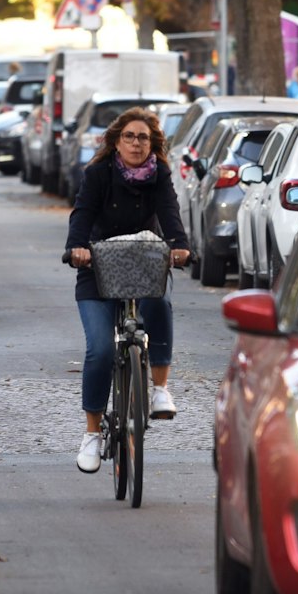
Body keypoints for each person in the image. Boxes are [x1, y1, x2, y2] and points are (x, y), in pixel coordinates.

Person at [64, 107, 191, 474]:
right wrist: (78, 248)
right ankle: (91, 434)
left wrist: (179, 245)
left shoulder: (159, 174)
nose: (136, 144)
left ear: (153, 144)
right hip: (97, 266)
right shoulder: (98, 173)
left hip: (143, 262)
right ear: (116, 141)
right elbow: (82, 214)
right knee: (101, 349)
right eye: (130, 137)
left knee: (160, 302)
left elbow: (170, 211)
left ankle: (159, 389)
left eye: (144, 138)